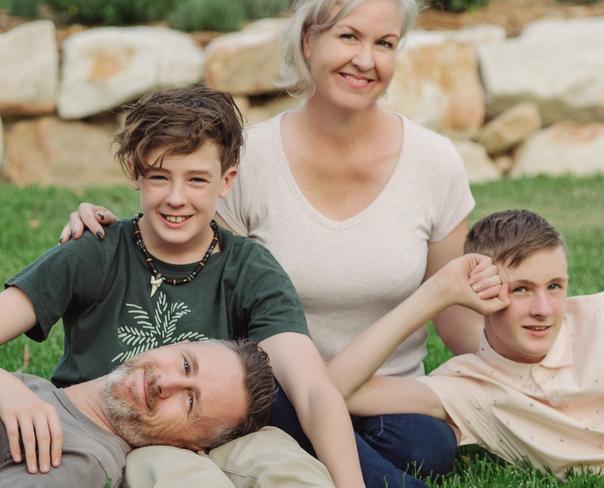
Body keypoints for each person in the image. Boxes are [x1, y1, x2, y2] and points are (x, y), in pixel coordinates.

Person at [60, 0, 491, 483]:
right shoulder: (249, 158)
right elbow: (183, 252)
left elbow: (460, 324)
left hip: (383, 393)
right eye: (349, 37)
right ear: (308, 40)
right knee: (294, 415)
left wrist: (539, 361)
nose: (366, 60)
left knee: (427, 445)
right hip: (276, 390)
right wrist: (110, 230)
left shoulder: (435, 163)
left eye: (385, 43)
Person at [1, 85, 362, 487]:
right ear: (134, 173)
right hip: (96, 427)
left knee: (289, 461)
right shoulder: (96, 250)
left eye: (196, 180)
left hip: (195, 436)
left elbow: (312, 390)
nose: (176, 198)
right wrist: (6, 387)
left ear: (226, 181)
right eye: (159, 176)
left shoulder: (249, 269)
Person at [329, 209, 604, 478]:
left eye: (554, 286)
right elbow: (330, 390)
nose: (543, 309)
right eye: (521, 289)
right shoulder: (468, 386)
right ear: (480, 293)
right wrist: (438, 291)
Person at [0, 339, 275, 487]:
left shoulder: (80, 463)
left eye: (190, 401)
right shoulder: (38, 392)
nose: (166, 384)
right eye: (185, 365)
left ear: (189, 446)